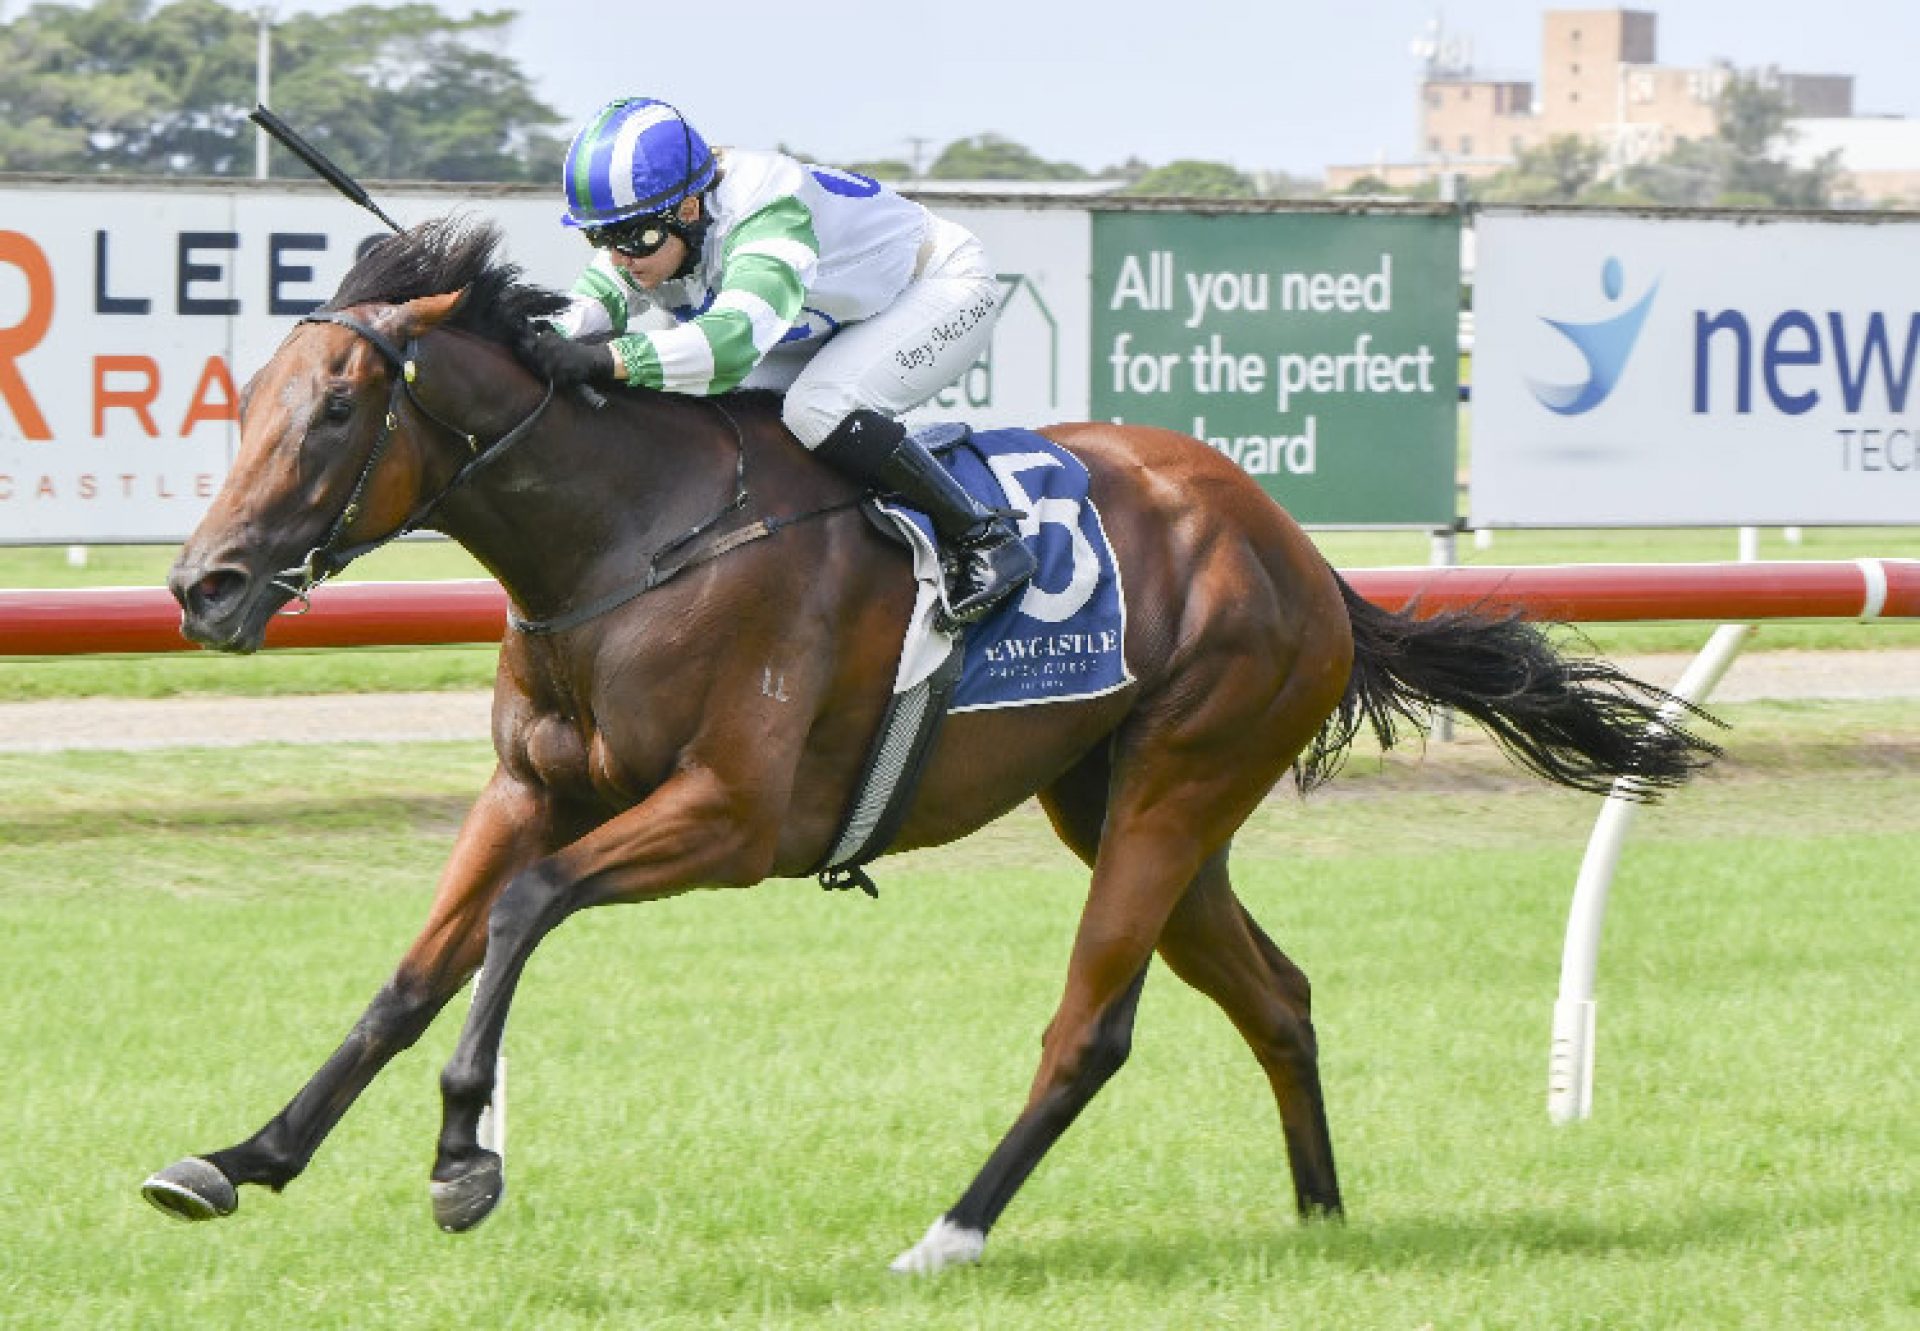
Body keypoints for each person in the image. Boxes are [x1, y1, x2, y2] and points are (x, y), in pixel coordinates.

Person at [520, 97, 1036, 628]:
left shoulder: (767, 205)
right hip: (829, 314)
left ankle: (984, 537)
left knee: (818, 408)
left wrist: (607, 359)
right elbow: (585, 310)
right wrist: (517, 337)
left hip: (936, 286)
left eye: (634, 237)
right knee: (694, 409)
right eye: (600, 238)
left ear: (689, 210)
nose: (621, 257)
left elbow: (728, 345)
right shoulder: (647, 225)